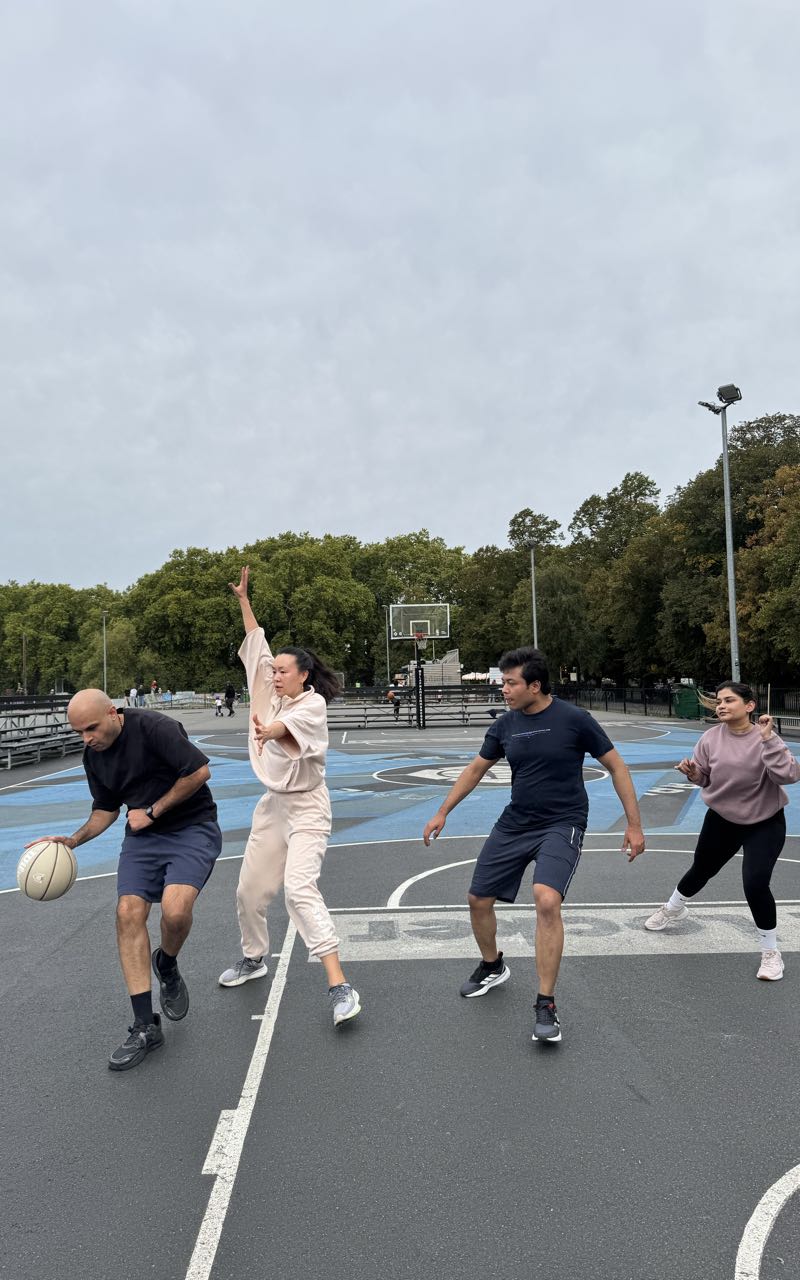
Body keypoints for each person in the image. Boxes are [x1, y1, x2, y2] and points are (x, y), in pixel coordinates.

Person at [422, 646, 645, 1044]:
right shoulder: (506, 725)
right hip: (516, 822)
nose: (503, 690)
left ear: (535, 685)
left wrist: (633, 825)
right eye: (503, 682)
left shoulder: (575, 719)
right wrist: (443, 811)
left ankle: (546, 1003)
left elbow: (616, 766)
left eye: (511, 683)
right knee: (477, 899)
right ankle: (492, 966)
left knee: (546, 899)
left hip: (563, 822)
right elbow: (476, 769)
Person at [27, 689, 222, 1070]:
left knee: (176, 912)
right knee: (128, 913)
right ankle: (145, 1026)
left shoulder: (155, 727)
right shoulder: (93, 756)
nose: (87, 738)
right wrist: (73, 840)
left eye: (91, 728)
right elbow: (105, 810)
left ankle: (166, 963)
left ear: (114, 713)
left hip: (192, 827)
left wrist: (153, 809)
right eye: (79, 732)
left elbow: (199, 771)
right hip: (143, 837)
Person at [218, 567, 361, 1028]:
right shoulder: (267, 683)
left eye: (283, 670)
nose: (274, 674)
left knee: (299, 891)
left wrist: (269, 730)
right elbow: (256, 637)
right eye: (273, 669)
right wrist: (243, 598)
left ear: (304, 675)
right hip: (272, 807)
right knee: (248, 890)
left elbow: (286, 730)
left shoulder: (312, 705)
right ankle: (253, 957)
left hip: (307, 807)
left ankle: (340, 986)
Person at [644, 681, 800, 980]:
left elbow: (788, 775)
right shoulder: (710, 738)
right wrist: (694, 774)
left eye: (729, 700)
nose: (721, 706)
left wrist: (769, 741)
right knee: (701, 870)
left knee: (755, 883)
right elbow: (705, 778)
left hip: (764, 821)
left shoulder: (766, 737)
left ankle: (771, 953)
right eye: (719, 702)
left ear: (749, 706)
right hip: (722, 818)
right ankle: (673, 907)